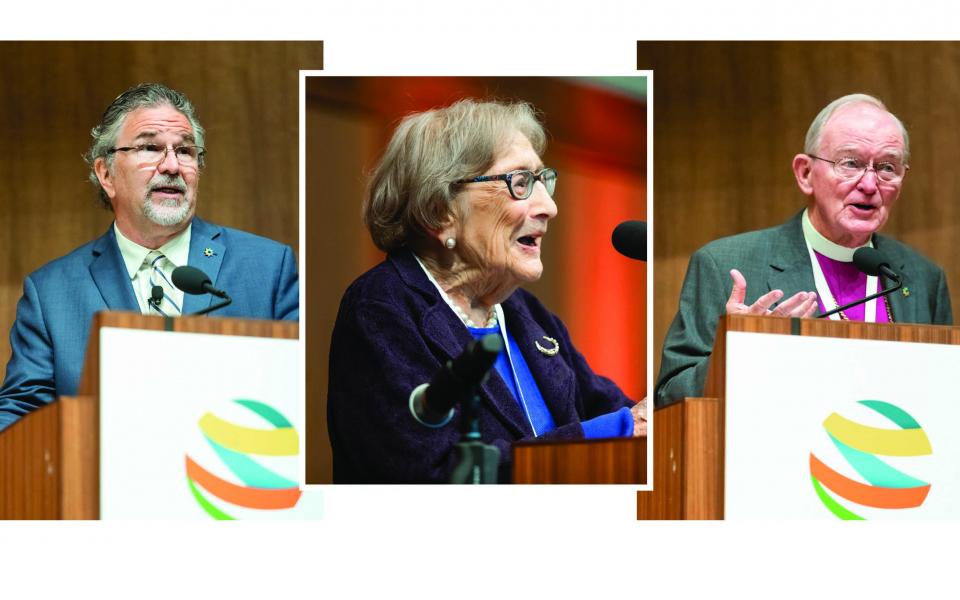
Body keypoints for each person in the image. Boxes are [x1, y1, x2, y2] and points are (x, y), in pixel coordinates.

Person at [327, 99, 645, 483]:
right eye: (521, 182)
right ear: (439, 210)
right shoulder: (382, 309)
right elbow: (428, 476)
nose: (549, 206)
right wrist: (611, 432)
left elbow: (623, 413)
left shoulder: (525, 314)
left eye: (544, 181)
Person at [0, 83, 299, 432]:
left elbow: (295, 393)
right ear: (106, 173)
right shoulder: (51, 293)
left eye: (185, 151)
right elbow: (21, 415)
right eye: (150, 147)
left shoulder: (267, 268)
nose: (172, 165)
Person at [656, 93, 952, 407]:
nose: (869, 184)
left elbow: (945, 398)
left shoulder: (922, 278)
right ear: (805, 174)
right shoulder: (724, 264)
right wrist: (738, 354)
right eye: (850, 163)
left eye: (887, 167)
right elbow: (668, 398)